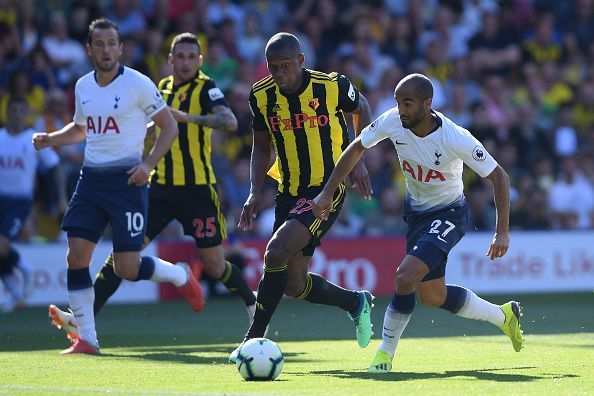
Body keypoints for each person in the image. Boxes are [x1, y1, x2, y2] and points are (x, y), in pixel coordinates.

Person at [47, 32, 258, 342]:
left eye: (191, 57)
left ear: (200, 61)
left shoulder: (207, 88)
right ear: (170, 60)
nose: (185, 62)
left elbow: (229, 122)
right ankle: (83, 320)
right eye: (180, 57)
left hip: (197, 190)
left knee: (214, 265)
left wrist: (185, 117)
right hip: (158, 188)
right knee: (124, 254)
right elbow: (153, 126)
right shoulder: (161, 89)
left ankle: (254, 306)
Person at [312, 73, 524, 373]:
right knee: (432, 296)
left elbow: (499, 176)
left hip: (449, 212)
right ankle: (504, 317)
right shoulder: (393, 121)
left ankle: (384, 355)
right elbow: (357, 146)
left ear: (428, 103)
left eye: (408, 103)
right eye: (398, 102)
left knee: (404, 275)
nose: (401, 109)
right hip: (416, 214)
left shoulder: (455, 137)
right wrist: (327, 191)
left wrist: (502, 231)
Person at [32, 18, 203, 356]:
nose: (107, 50)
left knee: (127, 267)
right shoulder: (83, 86)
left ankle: (179, 275)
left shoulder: (138, 84)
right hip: (91, 180)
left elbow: (168, 127)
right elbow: (82, 129)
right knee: (77, 255)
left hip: (128, 182)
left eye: (112, 44)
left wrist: (147, 164)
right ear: (90, 49)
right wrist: (52, 139)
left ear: (120, 48)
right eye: (100, 44)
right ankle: (88, 340)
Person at [229, 32, 375, 363]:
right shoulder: (261, 96)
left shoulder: (331, 85)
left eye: (285, 66)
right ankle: (355, 303)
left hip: (327, 187)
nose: (280, 74)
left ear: (300, 61)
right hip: (289, 189)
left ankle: (252, 340)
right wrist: (254, 190)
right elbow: (261, 145)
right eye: (273, 67)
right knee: (294, 285)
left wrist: (358, 159)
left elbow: (362, 107)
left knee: (276, 250)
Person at [0, 96, 62, 313]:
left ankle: (24, 270)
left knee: (1, 246)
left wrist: (61, 197)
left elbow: (55, 166)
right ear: (7, 112)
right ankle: (16, 297)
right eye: (14, 110)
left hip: (20, 201)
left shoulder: (32, 140)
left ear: (27, 114)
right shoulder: (0, 138)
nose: (17, 114)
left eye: (21, 111)